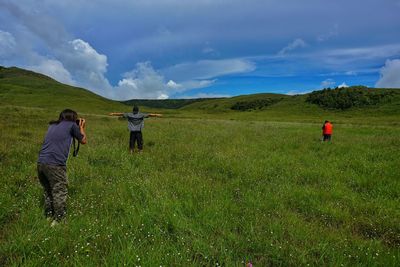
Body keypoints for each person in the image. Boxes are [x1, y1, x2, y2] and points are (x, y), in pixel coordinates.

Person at [37, 109, 87, 226]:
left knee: (48, 190)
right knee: (59, 191)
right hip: (55, 165)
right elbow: (83, 140)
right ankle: (59, 220)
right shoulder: (72, 126)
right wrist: (81, 127)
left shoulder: (53, 125)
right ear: (74, 118)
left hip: (41, 163)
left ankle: (48, 216)